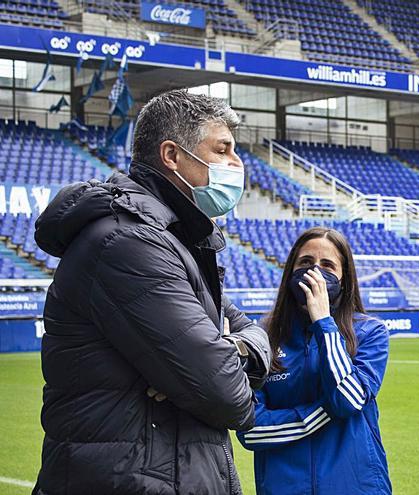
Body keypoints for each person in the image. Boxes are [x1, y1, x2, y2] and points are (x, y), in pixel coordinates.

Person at [32, 89, 271, 494]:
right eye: (223, 149)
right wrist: (223, 359)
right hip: (131, 479)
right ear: (172, 155)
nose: (237, 164)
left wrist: (231, 349)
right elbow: (227, 394)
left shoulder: (175, 240)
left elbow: (255, 333)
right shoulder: (128, 242)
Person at [237, 227, 391, 495]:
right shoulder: (263, 337)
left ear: (344, 279)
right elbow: (251, 431)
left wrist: (324, 323)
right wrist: (318, 414)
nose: (315, 272)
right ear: (290, 272)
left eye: (328, 265)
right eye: (306, 262)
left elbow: (348, 399)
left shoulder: (370, 333)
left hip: (356, 486)